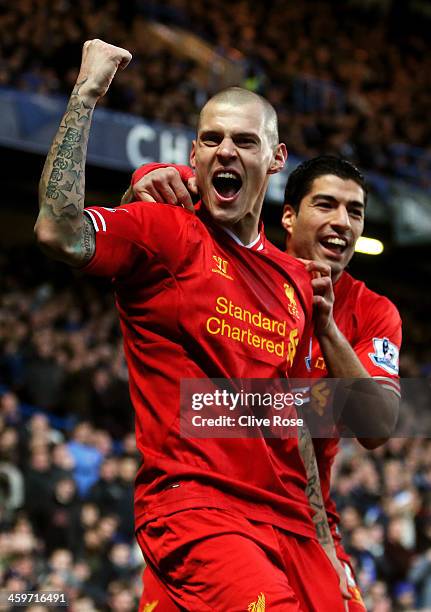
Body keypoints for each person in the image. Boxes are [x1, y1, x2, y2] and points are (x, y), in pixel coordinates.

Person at [35, 40, 346, 611]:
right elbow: (59, 231)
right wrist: (86, 95)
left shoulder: (294, 282)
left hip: (284, 524)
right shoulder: (166, 234)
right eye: (211, 140)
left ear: (276, 160)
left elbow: (293, 419)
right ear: (195, 154)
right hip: (196, 510)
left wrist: (324, 538)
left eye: (244, 141)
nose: (225, 151)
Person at [129, 155, 402, 610]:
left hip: (306, 523)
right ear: (289, 216)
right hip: (215, 509)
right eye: (326, 205)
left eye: (354, 212)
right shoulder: (241, 268)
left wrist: (327, 327)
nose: (342, 222)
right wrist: (153, 175)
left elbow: (376, 425)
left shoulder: (372, 312)